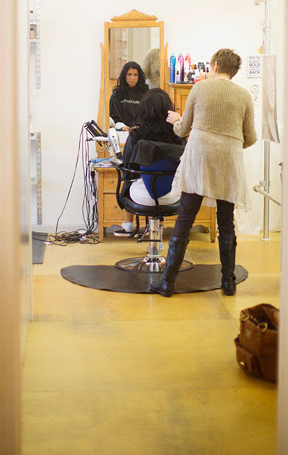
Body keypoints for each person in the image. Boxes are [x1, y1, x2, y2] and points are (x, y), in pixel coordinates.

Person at [151, 48, 257, 297]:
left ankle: (167, 282)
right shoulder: (244, 96)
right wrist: (228, 142)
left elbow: (182, 130)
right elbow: (250, 137)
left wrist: (177, 120)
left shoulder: (199, 88)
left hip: (199, 160)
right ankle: (228, 282)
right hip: (228, 162)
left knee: (185, 218)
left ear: (216, 65)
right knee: (226, 222)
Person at [115, 88, 185, 235]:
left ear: (144, 110)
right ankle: (157, 230)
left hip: (143, 197)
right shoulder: (178, 136)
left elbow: (128, 168)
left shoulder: (136, 135)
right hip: (173, 196)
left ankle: (129, 223)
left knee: (130, 179)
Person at [109, 61, 147, 130]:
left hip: (140, 131)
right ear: (124, 76)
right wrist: (122, 127)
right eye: (129, 74)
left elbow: (148, 115)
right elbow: (113, 117)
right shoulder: (116, 94)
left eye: (135, 75)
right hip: (122, 131)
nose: (132, 78)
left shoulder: (145, 94)